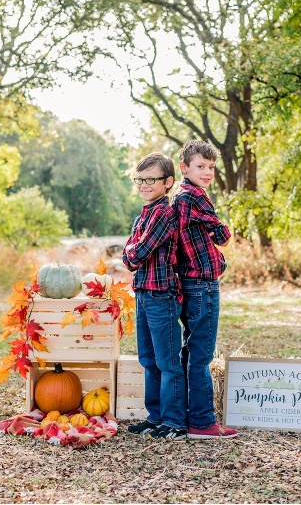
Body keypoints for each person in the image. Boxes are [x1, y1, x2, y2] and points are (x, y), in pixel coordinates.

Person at [172, 139, 238, 439]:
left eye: (211, 167)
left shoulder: (178, 196)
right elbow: (222, 235)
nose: (207, 172)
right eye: (201, 166)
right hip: (202, 285)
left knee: (189, 352)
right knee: (200, 355)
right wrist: (221, 231)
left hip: (188, 282)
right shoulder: (196, 197)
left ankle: (187, 414)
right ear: (184, 167)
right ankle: (201, 422)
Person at [123, 153, 187, 440]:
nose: (145, 184)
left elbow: (139, 251)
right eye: (141, 179)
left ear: (168, 182)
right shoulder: (143, 215)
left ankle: (175, 421)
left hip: (162, 296)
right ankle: (156, 416)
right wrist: (132, 253)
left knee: (167, 361)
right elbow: (128, 255)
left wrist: (133, 253)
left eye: (152, 179)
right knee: (148, 358)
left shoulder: (164, 213)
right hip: (142, 294)